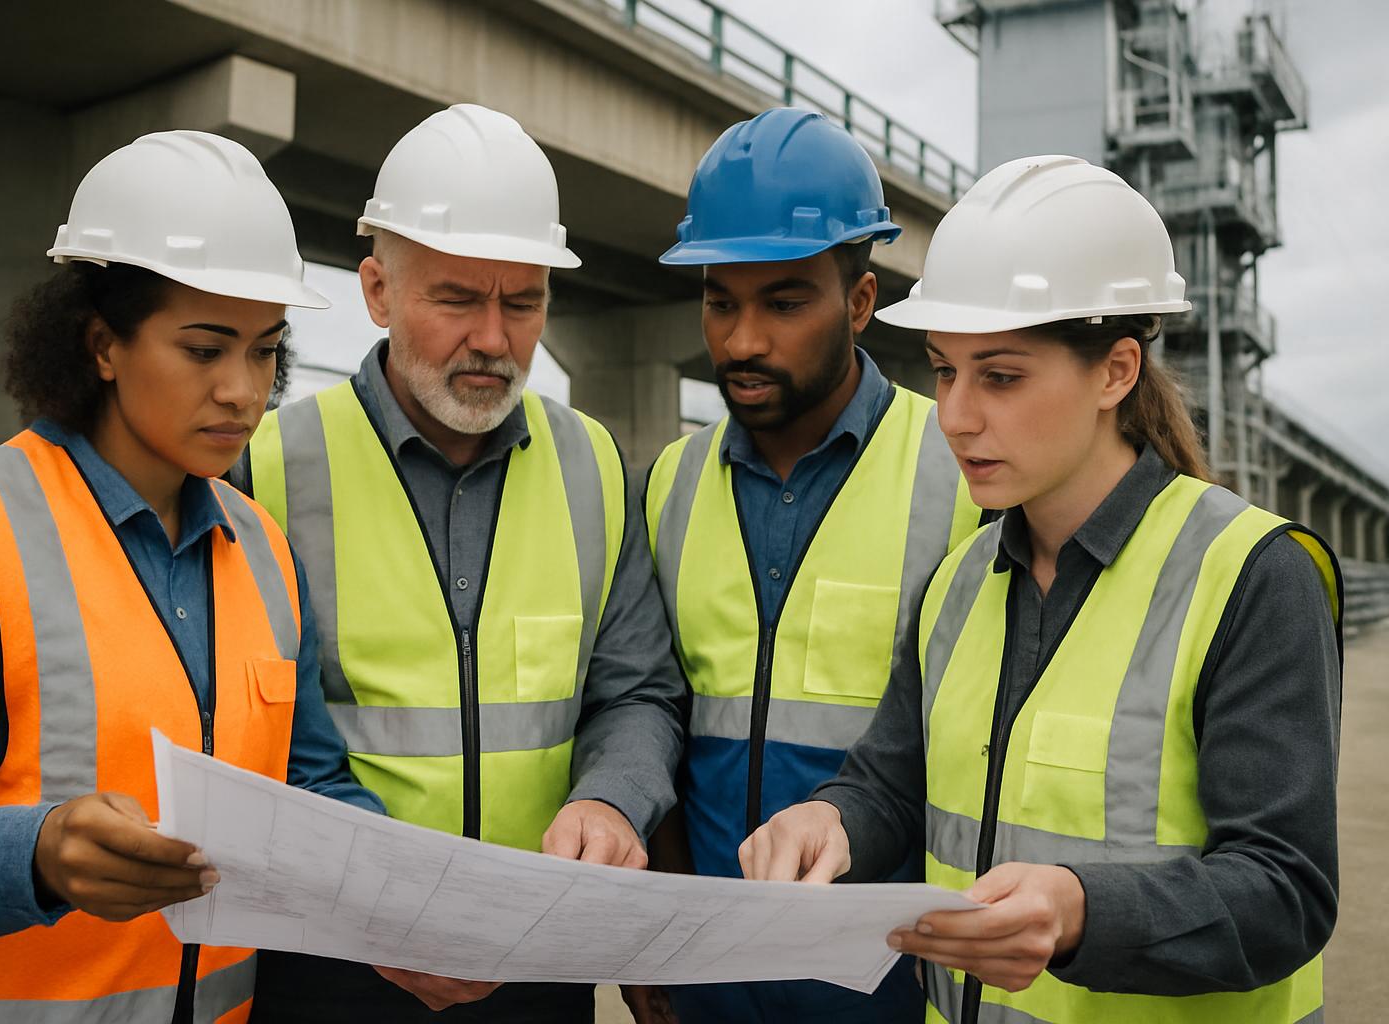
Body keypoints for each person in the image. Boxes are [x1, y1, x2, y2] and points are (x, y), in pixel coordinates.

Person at [740, 154, 1342, 1024]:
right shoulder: (956, 584)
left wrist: (1079, 912)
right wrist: (832, 823)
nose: (955, 415)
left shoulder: (1252, 578)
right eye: (945, 371)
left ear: (1116, 371)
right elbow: (889, 787)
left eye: (1002, 376)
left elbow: (1286, 890)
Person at [0, 130, 385, 1023]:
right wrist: (37, 855)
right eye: (206, 349)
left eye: (264, 351)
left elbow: (309, 785)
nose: (244, 392)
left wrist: (411, 884)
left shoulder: (262, 550)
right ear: (102, 345)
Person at [237, 104, 686, 1024]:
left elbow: (636, 690)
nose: (493, 337)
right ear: (375, 288)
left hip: (538, 963)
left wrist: (613, 801)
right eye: (457, 299)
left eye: (523, 302)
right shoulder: (267, 470)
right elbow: (247, 737)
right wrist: (375, 900)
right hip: (329, 967)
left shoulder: (593, 464)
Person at [625, 108, 981, 1024]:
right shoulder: (672, 483)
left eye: (784, 303)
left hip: (890, 983)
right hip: (707, 981)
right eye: (719, 301)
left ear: (859, 303)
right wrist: (652, 934)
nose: (742, 341)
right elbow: (655, 711)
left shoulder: (960, 477)